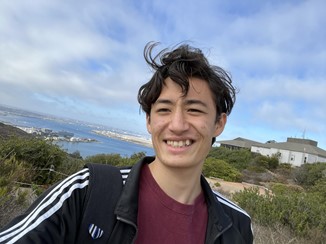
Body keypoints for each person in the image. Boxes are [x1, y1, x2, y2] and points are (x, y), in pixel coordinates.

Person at [0, 42, 253, 243]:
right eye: (164, 110)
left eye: (195, 110)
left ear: (219, 123)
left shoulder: (237, 225)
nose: (177, 125)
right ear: (149, 122)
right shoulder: (86, 192)